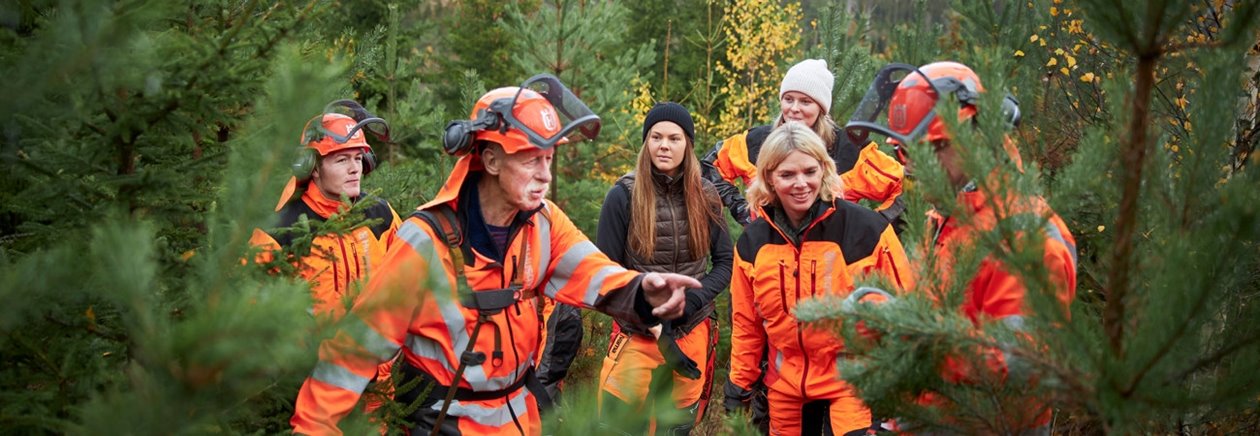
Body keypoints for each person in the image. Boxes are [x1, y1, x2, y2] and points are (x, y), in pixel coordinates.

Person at [289, 74, 703, 436]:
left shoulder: (543, 223)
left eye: (548, 159)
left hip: (520, 418)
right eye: (530, 159)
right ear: (489, 159)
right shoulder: (425, 242)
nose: (545, 175)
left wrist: (644, 291)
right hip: (442, 422)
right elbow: (353, 352)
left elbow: (595, 274)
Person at [844, 61, 1078, 433]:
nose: (914, 167)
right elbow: (943, 321)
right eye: (905, 153)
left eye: (932, 148)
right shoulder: (947, 218)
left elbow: (1017, 363)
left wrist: (905, 333)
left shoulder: (1024, 235)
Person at [722, 121, 913, 435]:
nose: (801, 184)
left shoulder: (867, 231)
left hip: (853, 380)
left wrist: (905, 387)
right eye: (787, 175)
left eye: (810, 171)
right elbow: (747, 324)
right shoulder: (753, 243)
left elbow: (905, 310)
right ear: (768, 177)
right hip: (786, 387)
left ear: (825, 170)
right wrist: (739, 387)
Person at [589, 102, 732, 434]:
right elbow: (605, 275)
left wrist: (692, 303)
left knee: (675, 427)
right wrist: (654, 322)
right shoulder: (622, 195)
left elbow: (725, 262)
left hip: (691, 333)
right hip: (636, 336)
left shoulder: (707, 195)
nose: (664, 145)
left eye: (674, 138)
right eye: (656, 137)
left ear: (688, 144)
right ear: (646, 142)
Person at [249, 100, 401, 414]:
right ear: (313, 168)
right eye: (341, 159)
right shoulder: (281, 231)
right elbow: (252, 311)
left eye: (358, 158)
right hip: (311, 387)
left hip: (381, 387)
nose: (354, 168)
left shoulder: (381, 215)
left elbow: (411, 281)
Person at [702, 58, 906, 229]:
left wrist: (873, 227)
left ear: (821, 108)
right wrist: (742, 210)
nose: (794, 108)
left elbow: (905, 188)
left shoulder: (849, 150)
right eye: (788, 99)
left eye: (805, 102)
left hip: (831, 263)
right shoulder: (756, 142)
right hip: (768, 260)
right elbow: (710, 168)